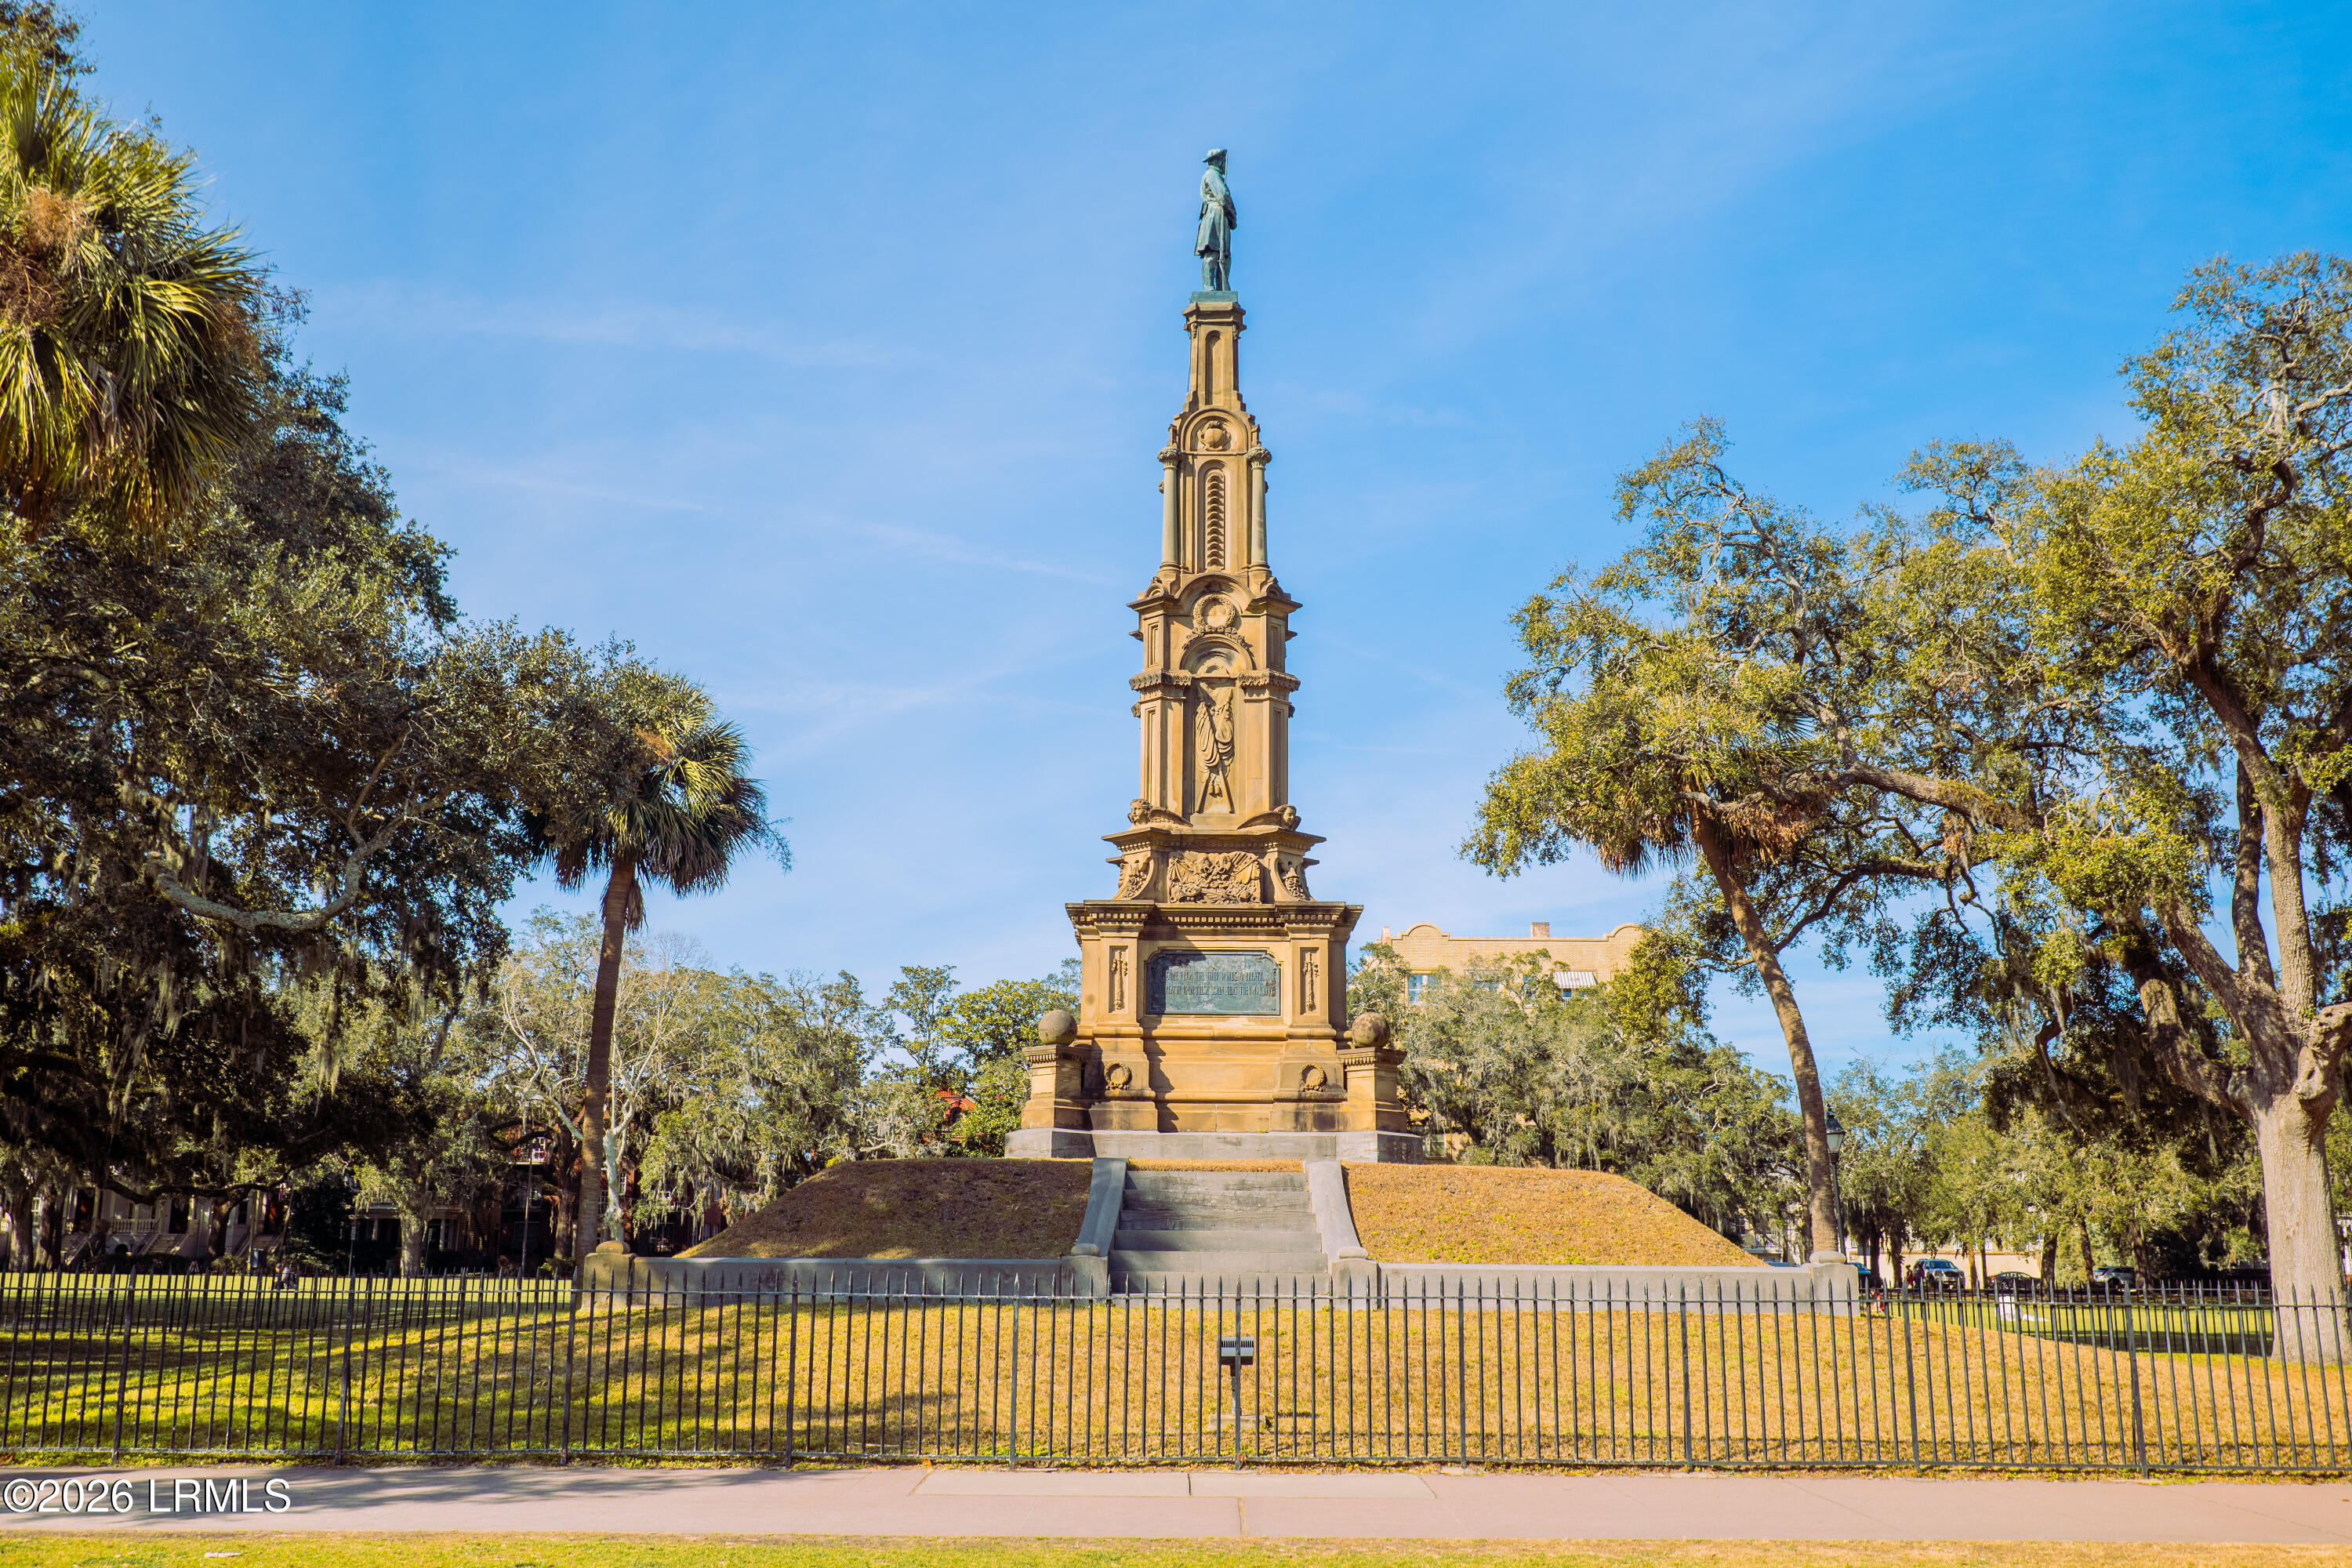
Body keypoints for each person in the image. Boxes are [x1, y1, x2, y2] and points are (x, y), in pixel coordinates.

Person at [1196, 150, 1236, 292]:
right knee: (1213, 251)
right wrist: (1233, 214)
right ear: (1217, 160)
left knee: (1222, 254)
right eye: (1222, 160)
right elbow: (1223, 195)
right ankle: (1209, 286)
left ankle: (1221, 286)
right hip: (1215, 213)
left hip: (1218, 214)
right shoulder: (1212, 174)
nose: (1224, 163)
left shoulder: (1214, 175)